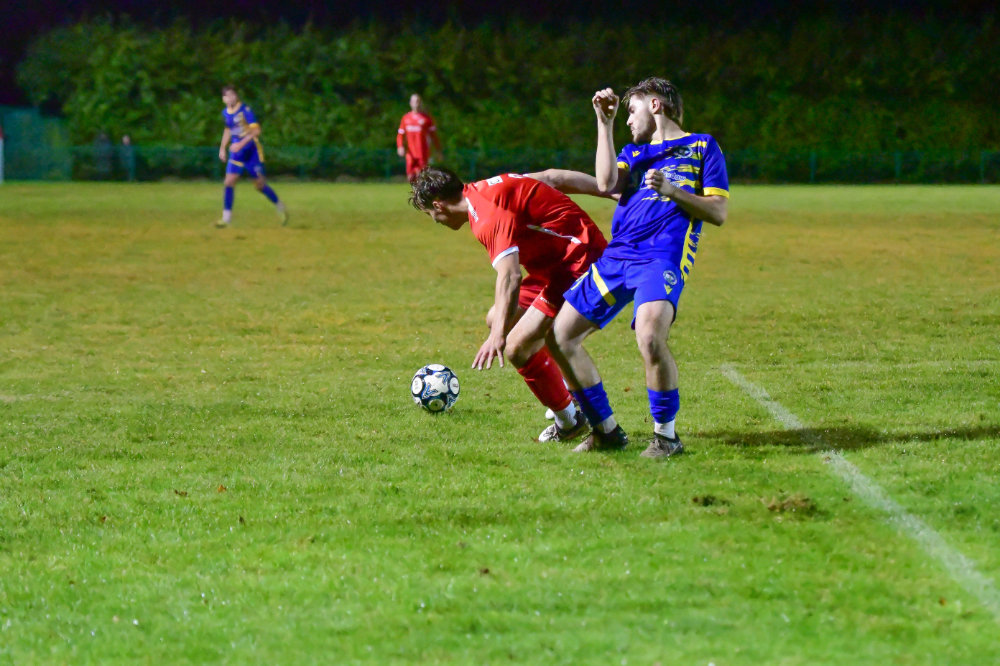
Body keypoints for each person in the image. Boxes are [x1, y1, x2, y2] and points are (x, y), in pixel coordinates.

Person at [547, 77, 729, 458]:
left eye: (632, 111)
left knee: (649, 336)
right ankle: (606, 431)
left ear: (655, 105)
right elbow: (605, 182)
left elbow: (718, 212)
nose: (629, 119)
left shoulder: (703, 147)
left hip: (661, 258)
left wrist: (673, 192)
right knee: (561, 337)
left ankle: (666, 437)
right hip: (617, 257)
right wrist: (604, 123)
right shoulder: (633, 152)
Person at [409, 166, 609, 443]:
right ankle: (567, 393)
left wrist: (497, 337)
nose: (435, 220)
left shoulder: (486, 217)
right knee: (498, 317)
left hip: (577, 262)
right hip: (554, 267)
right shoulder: (486, 188)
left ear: (438, 205)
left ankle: (570, 421)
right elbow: (553, 177)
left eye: (429, 214)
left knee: (516, 347)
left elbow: (511, 276)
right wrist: (612, 191)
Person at [217, 84, 287, 228]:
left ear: (236, 96)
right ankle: (226, 218)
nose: (231, 98)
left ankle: (280, 206)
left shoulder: (245, 110)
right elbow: (228, 130)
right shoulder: (225, 113)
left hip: (251, 151)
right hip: (236, 153)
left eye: (233, 94)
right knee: (229, 182)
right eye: (227, 96)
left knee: (260, 185)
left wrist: (240, 144)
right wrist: (222, 148)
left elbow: (256, 131)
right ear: (223, 99)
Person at [397, 94, 442, 183]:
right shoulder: (406, 118)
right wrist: (400, 146)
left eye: (417, 101)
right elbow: (400, 135)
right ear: (410, 103)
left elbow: (434, 136)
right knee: (410, 176)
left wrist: (438, 150)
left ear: (420, 103)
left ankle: (421, 190)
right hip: (410, 152)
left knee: (421, 175)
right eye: (414, 101)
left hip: (423, 152)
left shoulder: (427, 119)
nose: (416, 103)